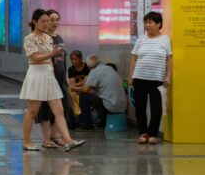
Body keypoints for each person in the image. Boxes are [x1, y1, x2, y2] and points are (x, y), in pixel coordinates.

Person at [20, 9, 84, 152]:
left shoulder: (48, 38)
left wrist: (53, 70)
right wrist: (52, 53)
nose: (46, 24)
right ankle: (27, 141)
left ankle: (68, 140)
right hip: (36, 75)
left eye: (47, 21)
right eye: (43, 21)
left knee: (59, 110)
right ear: (35, 22)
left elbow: (49, 60)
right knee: (32, 111)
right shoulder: (29, 38)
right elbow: (34, 57)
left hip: (49, 75)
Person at [129, 11, 172, 145]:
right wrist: (130, 76)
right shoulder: (141, 39)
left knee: (156, 107)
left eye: (150, 22)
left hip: (157, 79)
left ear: (158, 24)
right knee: (140, 107)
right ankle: (143, 133)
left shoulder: (165, 39)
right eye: (146, 22)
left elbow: (169, 59)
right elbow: (134, 58)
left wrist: (168, 76)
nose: (147, 25)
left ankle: (153, 134)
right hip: (139, 78)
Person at [34, 10, 74, 147]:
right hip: (47, 77)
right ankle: (46, 139)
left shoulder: (60, 38)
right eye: (51, 19)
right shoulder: (43, 38)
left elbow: (63, 59)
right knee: (45, 108)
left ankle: (54, 135)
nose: (54, 22)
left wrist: (67, 78)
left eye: (57, 19)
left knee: (64, 107)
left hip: (60, 77)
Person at [71, 54, 128, 131]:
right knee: (104, 96)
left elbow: (86, 90)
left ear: (89, 66)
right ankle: (102, 124)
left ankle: (86, 125)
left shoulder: (94, 71)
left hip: (111, 106)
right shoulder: (110, 69)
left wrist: (73, 88)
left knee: (84, 96)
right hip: (123, 106)